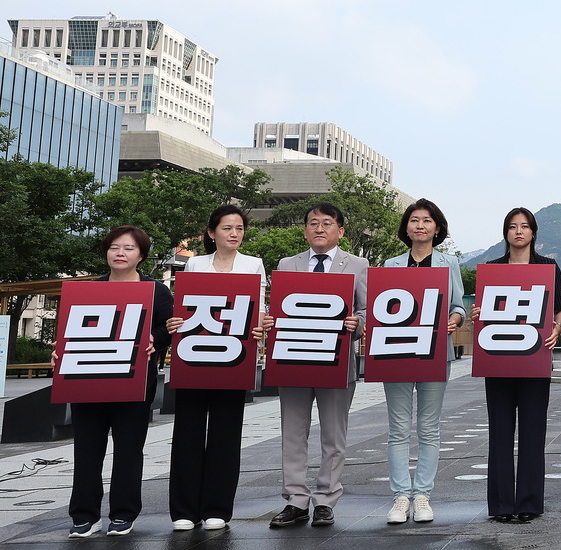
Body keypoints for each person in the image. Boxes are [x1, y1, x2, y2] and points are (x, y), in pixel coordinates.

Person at [63, 226, 174, 537]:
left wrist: (156, 340)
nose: (120, 253)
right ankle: (84, 514)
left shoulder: (156, 290)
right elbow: (71, 333)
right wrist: (61, 353)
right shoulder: (89, 289)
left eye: (128, 248)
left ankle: (124, 513)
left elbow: (170, 328)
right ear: (106, 252)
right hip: (89, 378)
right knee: (87, 448)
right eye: (114, 247)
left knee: (128, 449)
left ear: (141, 254)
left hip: (134, 381)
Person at [264, 203, 369, 528]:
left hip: (337, 363)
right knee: (292, 434)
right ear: (305, 229)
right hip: (294, 360)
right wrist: (270, 321)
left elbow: (369, 310)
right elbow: (277, 309)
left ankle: (325, 500)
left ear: (340, 231)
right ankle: (295, 500)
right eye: (313, 223)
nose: (319, 229)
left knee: (333, 435)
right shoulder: (287, 263)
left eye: (327, 223)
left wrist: (358, 322)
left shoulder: (358, 265)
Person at [164, 206, 267, 531]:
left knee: (226, 432)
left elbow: (258, 309)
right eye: (227, 228)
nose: (234, 233)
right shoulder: (195, 263)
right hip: (195, 357)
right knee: (187, 431)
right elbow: (187, 307)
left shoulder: (254, 265)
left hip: (234, 358)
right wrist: (176, 322)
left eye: (239, 228)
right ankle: (183, 509)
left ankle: (217, 508)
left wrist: (260, 327)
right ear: (211, 233)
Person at [473, 207, 561, 522]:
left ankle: (528, 502)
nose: (518, 232)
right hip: (498, 360)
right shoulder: (492, 268)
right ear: (506, 232)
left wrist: (556, 328)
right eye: (513, 226)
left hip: (535, 358)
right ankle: (501, 504)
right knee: (499, 433)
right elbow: (483, 310)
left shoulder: (548, 268)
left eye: (524, 226)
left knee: (532, 431)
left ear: (533, 233)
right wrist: (477, 315)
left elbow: (558, 310)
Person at [380, 199, 466, 524]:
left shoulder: (449, 263)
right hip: (397, 353)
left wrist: (455, 320)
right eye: (414, 220)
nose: (420, 225)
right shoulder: (390, 265)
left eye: (426, 221)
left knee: (429, 428)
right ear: (406, 228)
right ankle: (401, 496)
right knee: (398, 428)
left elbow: (458, 305)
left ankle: (423, 496)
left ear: (437, 228)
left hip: (434, 352)